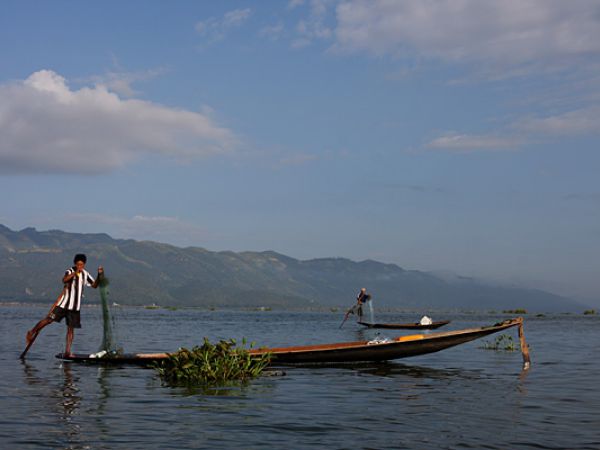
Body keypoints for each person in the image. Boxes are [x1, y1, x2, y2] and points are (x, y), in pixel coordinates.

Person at [23, 254, 103, 357]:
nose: (80, 266)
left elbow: (95, 285)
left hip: (75, 308)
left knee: (70, 329)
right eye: (78, 264)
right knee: (49, 320)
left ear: (84, 264)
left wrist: (99, 275)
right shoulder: (69, 271)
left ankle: (68, 352)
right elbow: (64, 280)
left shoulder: (85, 274)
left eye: (82, 265)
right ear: (75, 264)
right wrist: (75, 273)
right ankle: (31, 332)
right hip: (63, 305)